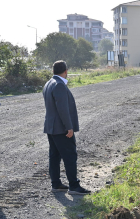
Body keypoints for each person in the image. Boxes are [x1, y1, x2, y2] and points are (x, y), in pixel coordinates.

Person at [42, 60, 90, 195]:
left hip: (51, 128)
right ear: (66, 71)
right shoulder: (59, 85)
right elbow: (62, 109)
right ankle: (74, 186)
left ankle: (56, 184)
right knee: (70, 155)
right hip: (61, 128)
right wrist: (69, 127)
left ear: (53, 71)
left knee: (54, 155)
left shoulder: (48, 83)